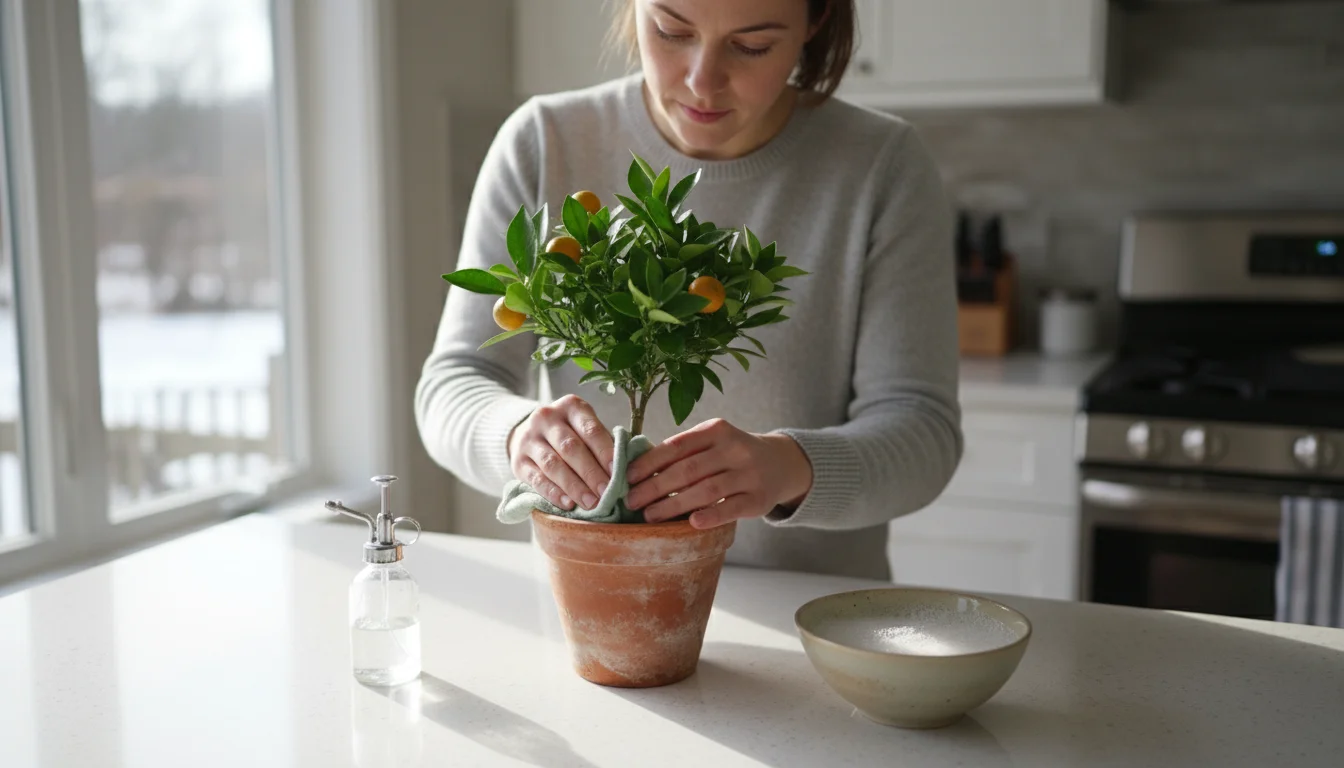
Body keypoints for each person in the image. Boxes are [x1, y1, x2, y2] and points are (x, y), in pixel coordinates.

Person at [414, 0, 962, 580]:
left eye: (752, 46)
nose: (703, 81)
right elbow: (453, 385)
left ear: (816, 19)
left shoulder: (883, 166)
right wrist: (521, 438)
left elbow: (921, 432)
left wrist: (790, 466)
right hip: (599, 610)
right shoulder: (545, 141)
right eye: (671, 31)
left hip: (812, 621)